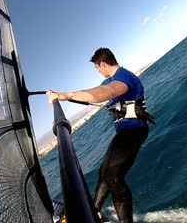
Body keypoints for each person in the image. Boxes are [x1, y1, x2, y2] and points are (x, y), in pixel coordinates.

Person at [46, 47, 154, 223]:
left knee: (113, 177)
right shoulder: (110, 80)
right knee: (104, 172)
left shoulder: (123, 76)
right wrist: (59, 95)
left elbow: (107, 92)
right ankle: (95, 211)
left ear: (102, 64)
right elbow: (94, 92)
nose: (98, 71)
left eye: (97, 68)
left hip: (133, 132)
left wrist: (65, 95)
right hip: (126, 133)